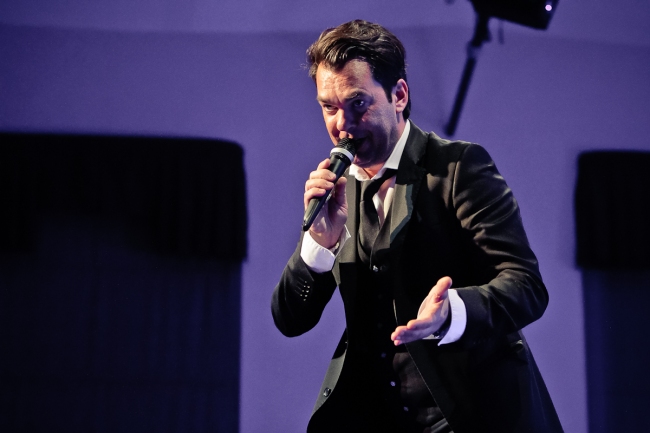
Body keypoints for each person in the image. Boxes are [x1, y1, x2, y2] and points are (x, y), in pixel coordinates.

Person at [271, 20, 563, 433]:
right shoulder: (337, 191)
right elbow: (290, 320)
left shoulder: (458, 167)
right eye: (329, 107)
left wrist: (453, 312)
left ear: (399, 96)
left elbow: (527, 286)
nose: (342, 125)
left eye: (357, 103)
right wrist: (319, 244)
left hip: (474, 415)